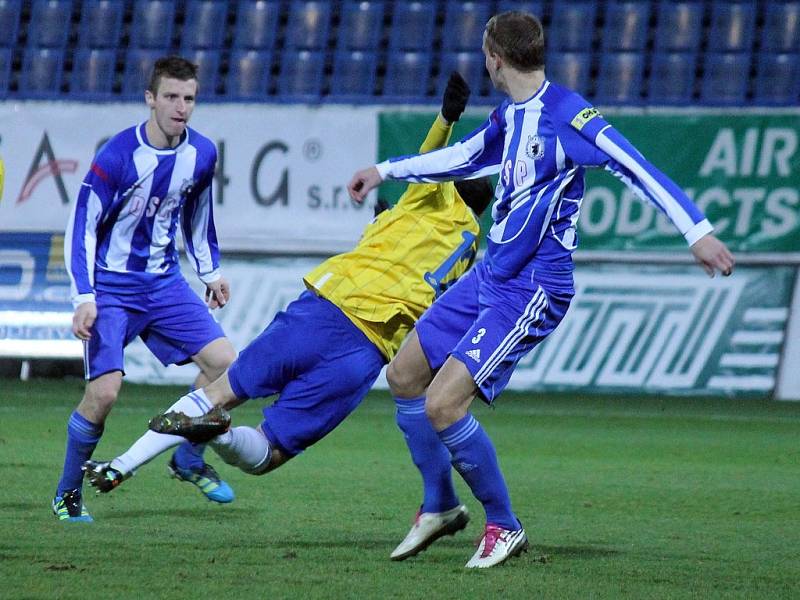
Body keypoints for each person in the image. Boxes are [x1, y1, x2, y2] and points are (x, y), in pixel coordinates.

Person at [347, 11, 736, 569]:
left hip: (532, 288)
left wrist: (696, 232)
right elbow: (468, 156)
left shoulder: (571, 116)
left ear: (495, 59)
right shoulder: (510, 114)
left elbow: (638, 166)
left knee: (442, 402)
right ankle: (439, 505)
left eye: (485, 54)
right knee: (404, 373)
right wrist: (386, 170)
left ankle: (504, 525)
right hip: (489, 277)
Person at [82, 75, 494, 532]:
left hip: (322, 311)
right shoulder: (472, 250)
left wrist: (446, 117)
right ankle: (213, 437)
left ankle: (123, 463)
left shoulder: (429, 196)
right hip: (367, 353)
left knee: (219, 392)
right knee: (266, 452)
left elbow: (426, 158)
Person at [53, 56, 238, 523]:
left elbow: (198, 217)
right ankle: (67, 493)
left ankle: (188, 458)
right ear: (150, 99)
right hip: (113, 289)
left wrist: (210, 272)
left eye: (189, 98)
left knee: (226, 366)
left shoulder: (202, 154)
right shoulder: (117, 155)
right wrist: (85, 297)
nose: (181, 107)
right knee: (105, 395)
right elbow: (83, 225)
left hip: (164, 283)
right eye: (171, 97)